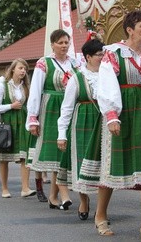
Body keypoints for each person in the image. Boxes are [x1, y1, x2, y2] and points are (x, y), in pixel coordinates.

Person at [95, 11, 141, 238]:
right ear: (130, 29)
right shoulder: (114, 53)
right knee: (113, 165)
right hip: (123, 110)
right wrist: (112, 114)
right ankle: (100, 215)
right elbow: (106, 83)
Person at [26, 29, 77, 210]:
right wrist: (33, 118)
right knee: (56, 152)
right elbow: (35, 91)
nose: (64, 46)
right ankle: (58, 195)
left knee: (65, 153)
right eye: (60, 43)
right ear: (52, 44)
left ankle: (54, 195)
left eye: (66, 42)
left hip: (70, 108)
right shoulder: (44, 63)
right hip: (50, 109)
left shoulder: (75, 63)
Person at [56, 37, 104, 224]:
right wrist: (62, 134)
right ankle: (84, 201)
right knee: (82, 164)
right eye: (99, 55)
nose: (102, 58)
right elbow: (66, 108)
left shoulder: (110, 75)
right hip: (83, 123)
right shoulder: (77, 78)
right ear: (88, 57)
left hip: (103, 122)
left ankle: (101, 210)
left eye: (103, 54)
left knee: (103, 166)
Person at [0, 58, 36, 198]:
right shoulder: (4, 84)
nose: (23, 71)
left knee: (24, 156)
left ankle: (25, 188)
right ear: (13, 69)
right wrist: (11, 106)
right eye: (20, 68)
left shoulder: (26, 86)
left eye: (25, 69)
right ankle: (4, 188)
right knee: (4, 158)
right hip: (7, 123)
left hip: (22, 122)